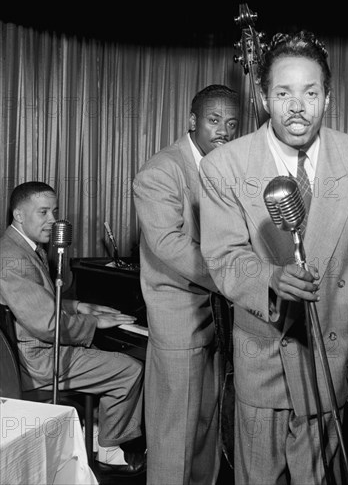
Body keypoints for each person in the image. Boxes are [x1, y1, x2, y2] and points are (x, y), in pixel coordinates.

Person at [199, 31, 348, 485]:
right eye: (283, 93)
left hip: (332, 355)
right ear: (264, 97)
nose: (297, 106)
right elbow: (223, 256)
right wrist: (271, 278)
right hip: (263, 352)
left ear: (328, 97)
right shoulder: (224, 166)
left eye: (310, 92)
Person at [0, 181, 146, 475]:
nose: (53, 221)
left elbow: (40, 301)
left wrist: (78, 306)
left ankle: (90, 433)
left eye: (54, 211)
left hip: (32, 350)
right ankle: (108, 449)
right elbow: (47, 323)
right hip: (37, 363)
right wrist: (93, 323)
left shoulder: (21, 246)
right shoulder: (13, 259)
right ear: (18, 214)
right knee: (130, 369)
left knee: (104, 351)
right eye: (43, 212)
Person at [133, 84, 240, 485]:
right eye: (214, 121)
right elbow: (169, 244)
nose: (224, 131)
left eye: (231, 123)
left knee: (206, 434)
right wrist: (237, 279)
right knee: (173, 438)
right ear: (193, 121)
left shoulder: (228, 167)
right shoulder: (161, 171)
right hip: (180, 321)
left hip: (220, 318)